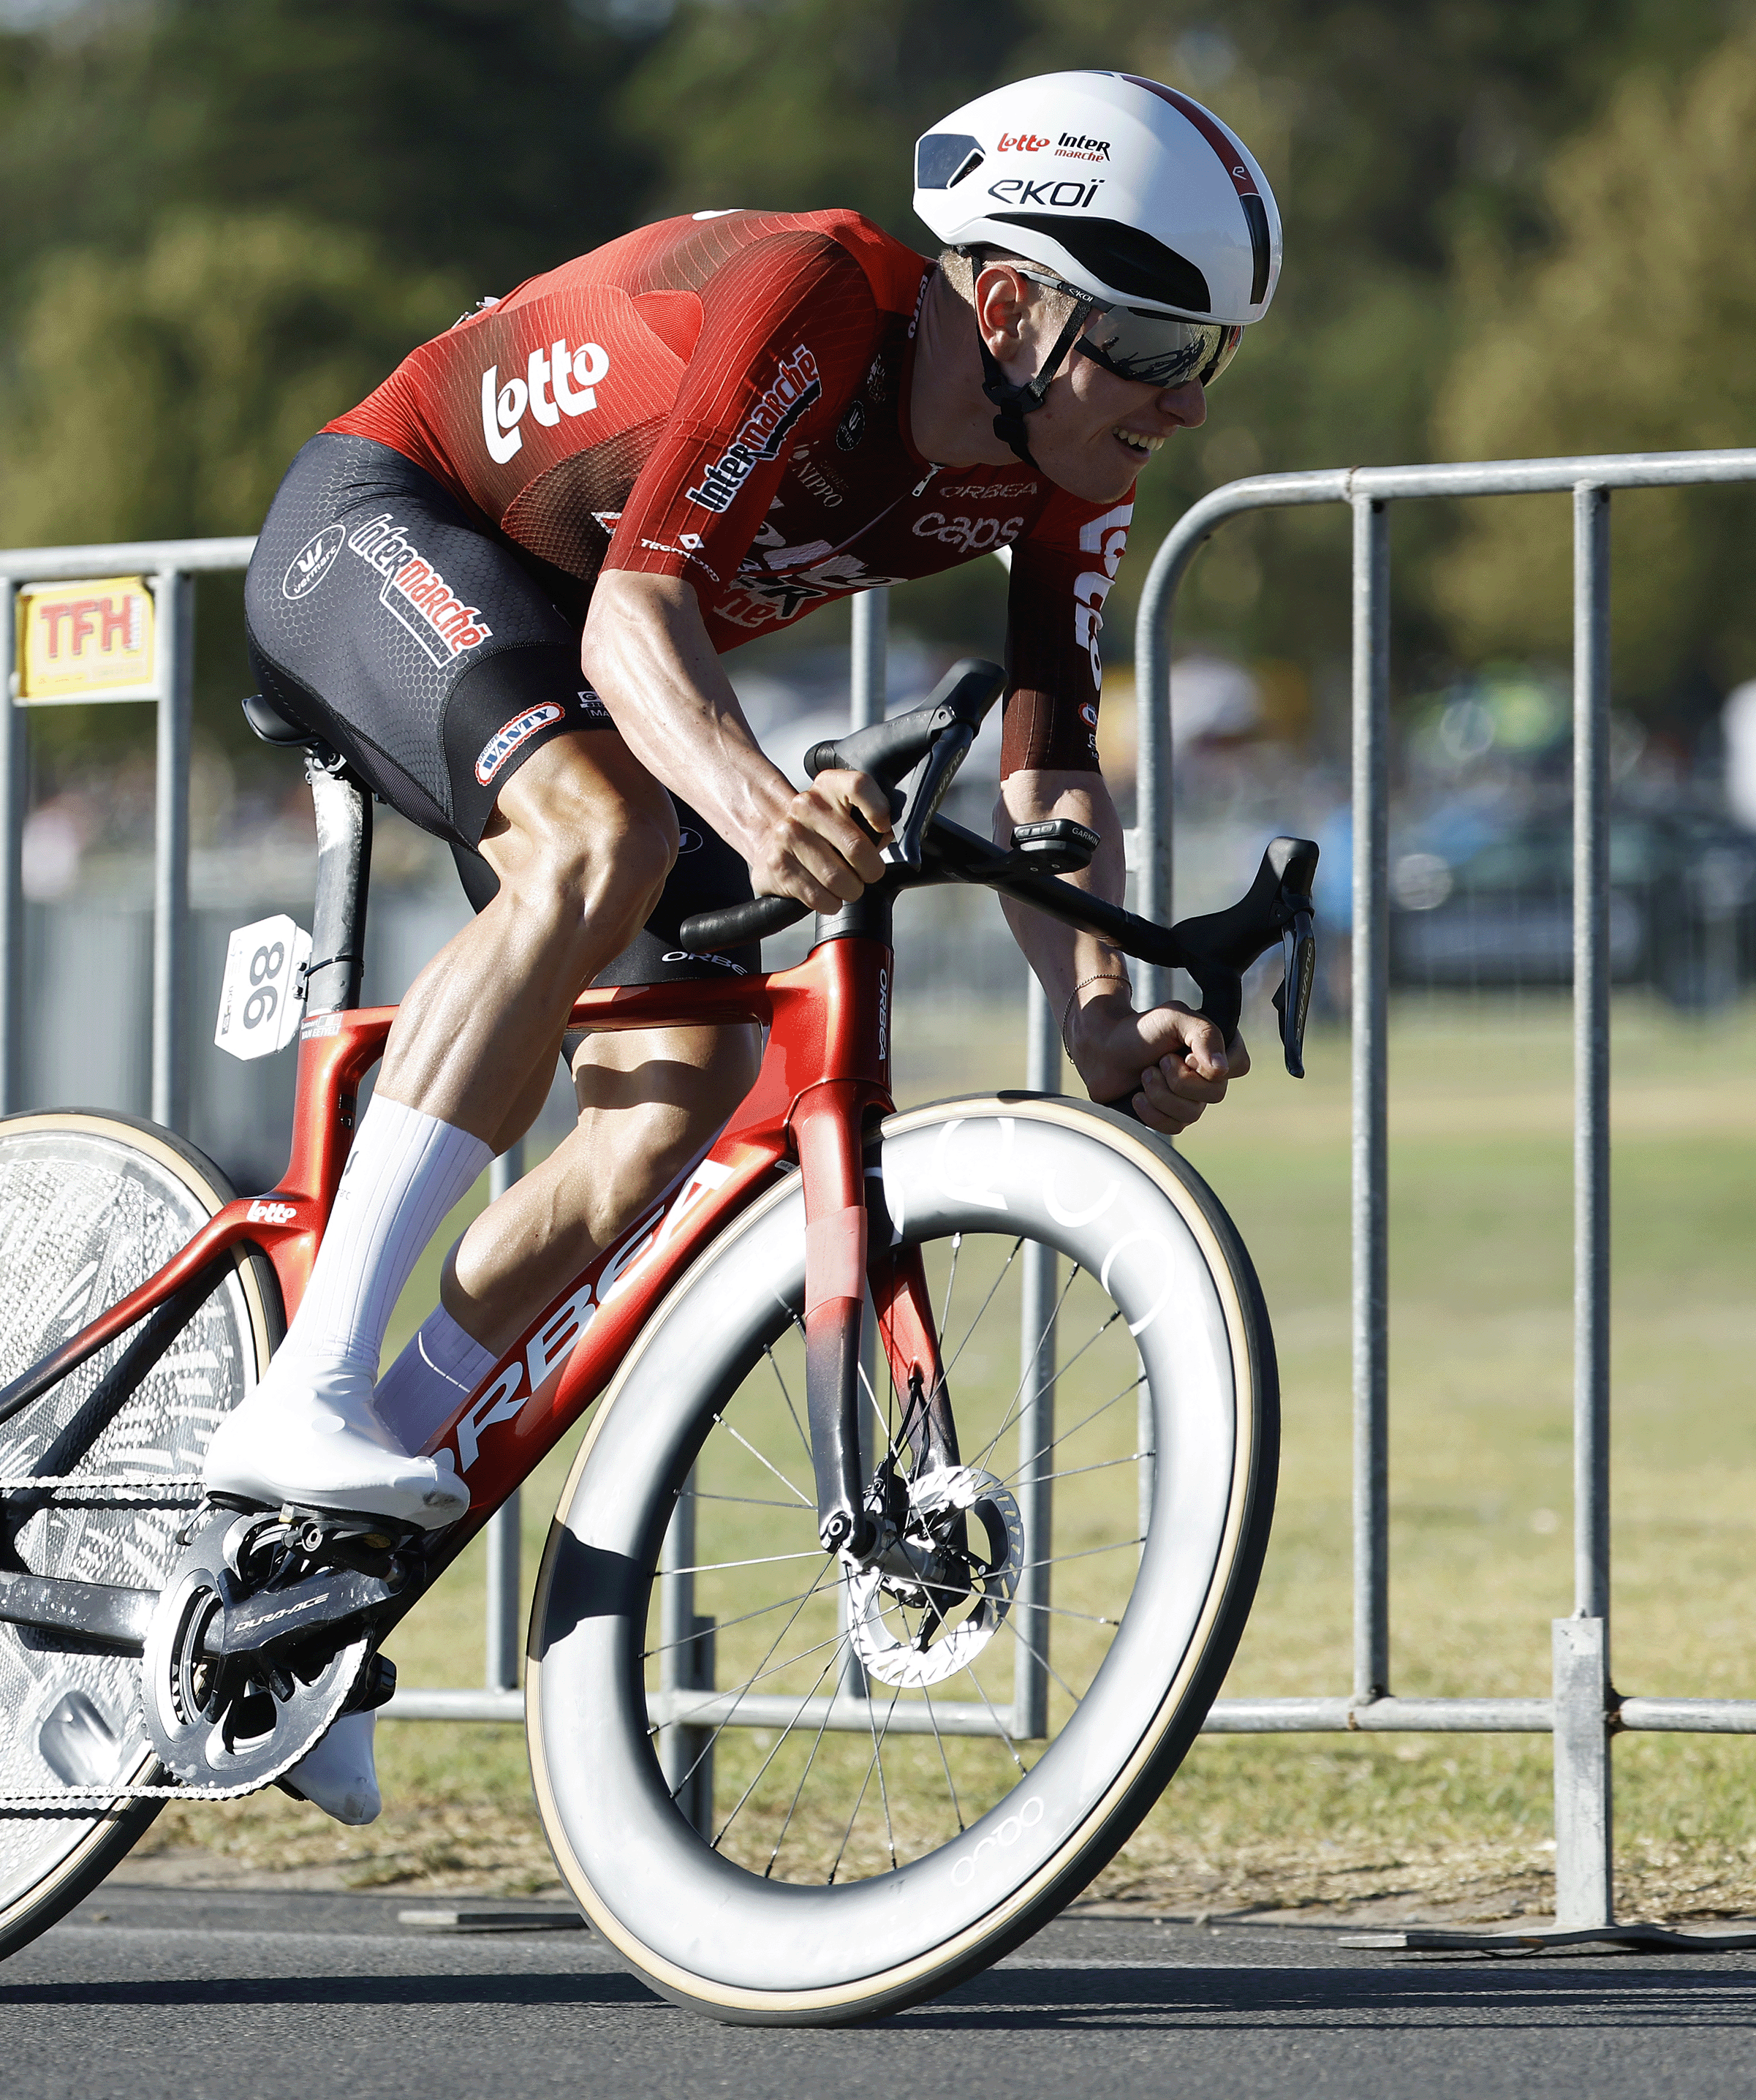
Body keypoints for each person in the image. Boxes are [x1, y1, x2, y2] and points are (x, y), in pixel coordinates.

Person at [204, 72, 1283, 1821]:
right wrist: (759, 798)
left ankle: (307, 1540)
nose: (1179, 399)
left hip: (573, 622)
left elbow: (1052, 762)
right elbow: (639, 617)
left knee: (672, 1097)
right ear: (1005, 302)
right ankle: (307, 1388)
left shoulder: (1066, 465)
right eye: (1154, 341)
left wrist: (1095, 1008)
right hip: (393, 524)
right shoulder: (816, 301)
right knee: (603, 834)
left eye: (1211, 353)